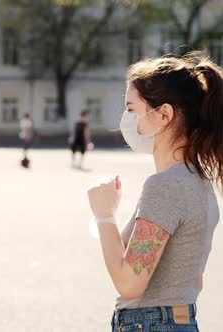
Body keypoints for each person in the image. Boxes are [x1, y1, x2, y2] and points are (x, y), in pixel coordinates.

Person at [87, 51, 222, 331]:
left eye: (132, 109)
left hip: (151, 323)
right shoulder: (199, 180)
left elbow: (129, 284)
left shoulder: (165, 186)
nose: (127, 120)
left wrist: (104, 215)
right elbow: (191, 279)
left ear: (163, 114)